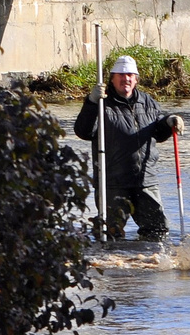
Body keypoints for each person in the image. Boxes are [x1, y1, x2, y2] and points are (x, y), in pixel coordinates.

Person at [73, 56, 183, 242]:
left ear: (136, 79)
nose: (126, 79)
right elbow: (84, 131)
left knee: (158, 232)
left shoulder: (147, 101)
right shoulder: (102, 103)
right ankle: (113, 268)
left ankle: (149, 266)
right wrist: (91, 102)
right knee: (109, 235)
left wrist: (170, 121)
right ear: (112, 78)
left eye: (130, 75)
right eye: (121, 75)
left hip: (145, 180)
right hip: (113, 182)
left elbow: (158, 130)